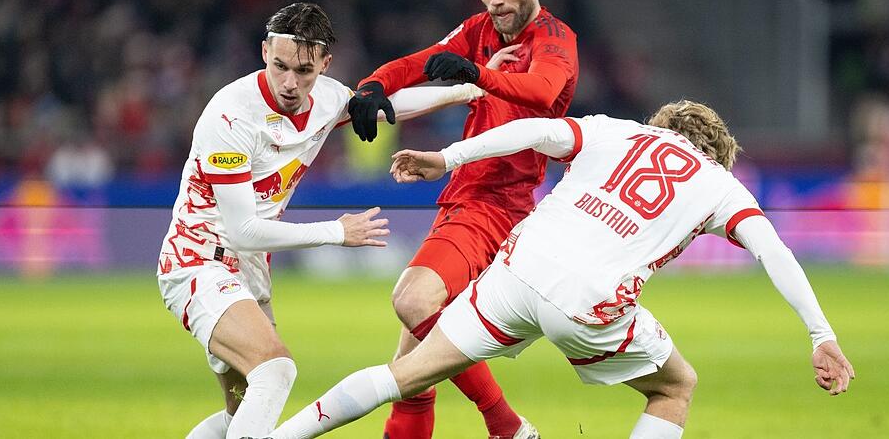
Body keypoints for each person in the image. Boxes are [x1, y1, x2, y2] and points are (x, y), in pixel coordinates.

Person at [268, 101, 856, 439]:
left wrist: (447, 157)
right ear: (716, 152)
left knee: (410, 371)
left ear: (665, 125)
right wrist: (821, 335)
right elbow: (773, 251)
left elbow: (535, 131)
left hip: (520, 264)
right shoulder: (719, 184)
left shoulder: (619, 131)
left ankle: (278, 437)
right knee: (676, 387)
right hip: (589, 298)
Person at [156, 2, 486, 439]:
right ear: (264, 52)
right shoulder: (229, 115)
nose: (290, 83)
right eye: (280, 67)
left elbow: (389, 106)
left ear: (324, 64)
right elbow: (243, 231)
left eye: (304, 71)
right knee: (275, 371)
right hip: (198, 260)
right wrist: (336, 232)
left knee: (240, 418)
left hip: (249, 270)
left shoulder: (328, 97)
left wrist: (468, 91)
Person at [346, 0, 578, 439]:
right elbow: (418, 63)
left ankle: (508, 426)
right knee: (410, 373)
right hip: (468, 198)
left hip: (496, 204)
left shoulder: (556, 40)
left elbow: (540, 92)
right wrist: (370, 88)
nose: (495, 0)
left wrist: (475, 75)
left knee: (411, 302)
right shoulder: (479, 30)